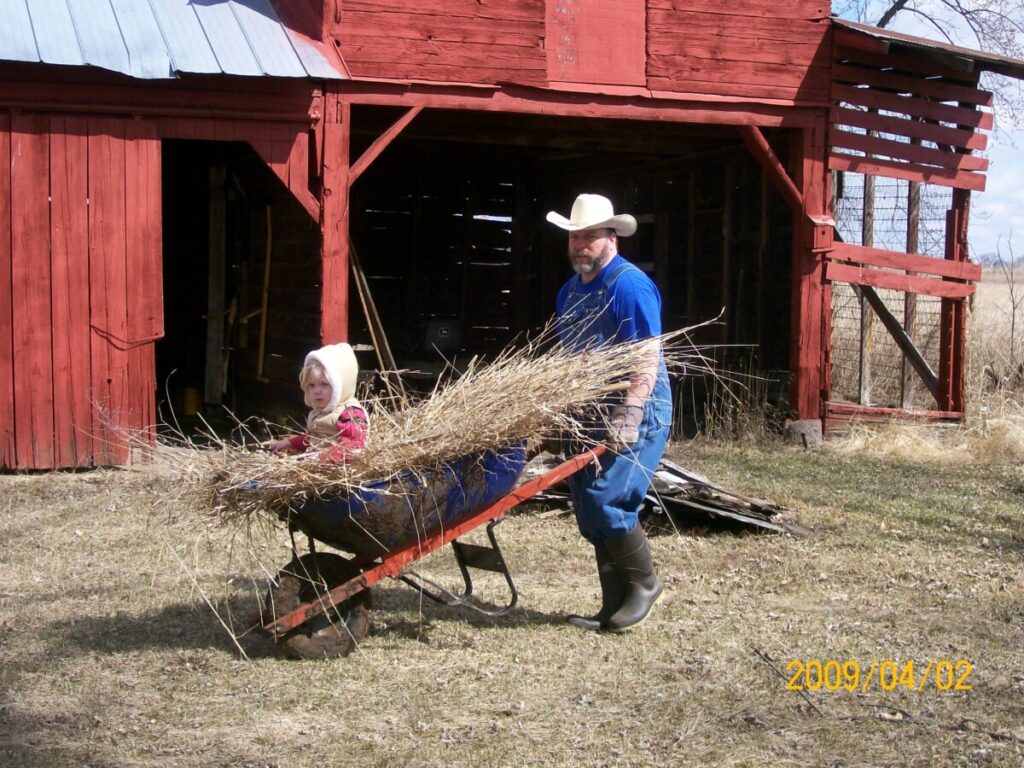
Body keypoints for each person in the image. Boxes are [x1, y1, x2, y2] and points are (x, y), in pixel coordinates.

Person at [546, 193, 673, 632]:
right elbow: (570, 362)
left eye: (590, 236)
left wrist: (631, 412)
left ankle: (645, 586)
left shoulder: (628, 285)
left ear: (612, 237)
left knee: (608, 500)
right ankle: (612, 606)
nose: (581, 244)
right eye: (574, 236)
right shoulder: (569, 292)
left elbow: (646, 356)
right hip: (590, 410)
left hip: (637, 406)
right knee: (588, 507)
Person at [270, 343, 369, 462]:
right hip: (317, 466)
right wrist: (289, 443)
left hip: (339, 471)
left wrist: (323, 457)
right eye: (312, 385)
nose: (317, 391)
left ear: (340, 386)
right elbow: (314, 440)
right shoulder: (320, 412)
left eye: (324, 384)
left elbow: (355, 445)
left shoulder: (350, 413)